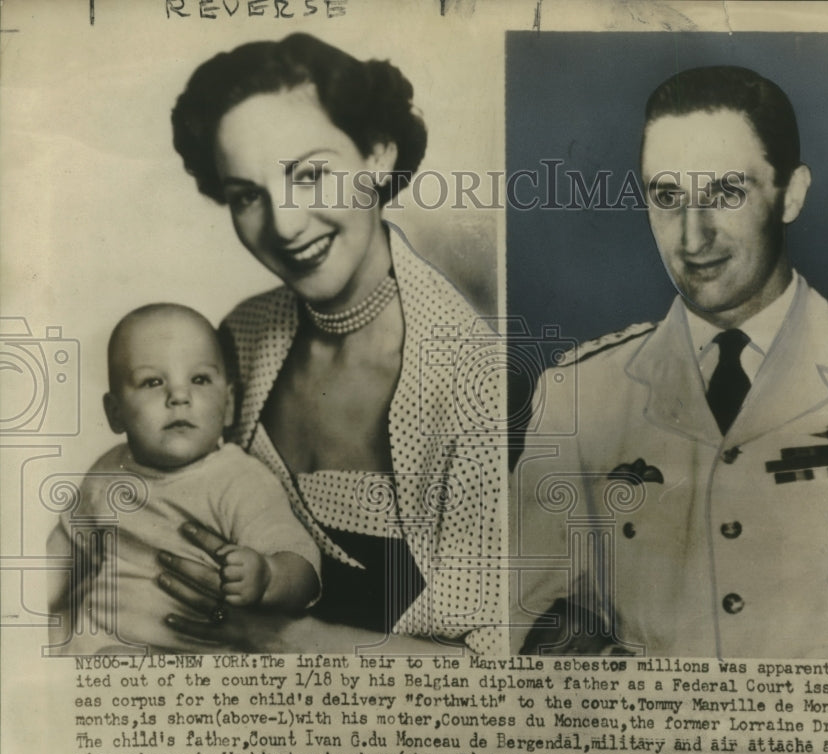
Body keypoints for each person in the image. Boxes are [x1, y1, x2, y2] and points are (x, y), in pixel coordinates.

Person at [513, 65, 828, 659]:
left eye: (726, 193)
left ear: (791, 194)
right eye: (667, 197)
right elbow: (500, 623)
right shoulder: (580, 393)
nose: (692, 237)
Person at [146, 33, 502, 653]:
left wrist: (287, 638)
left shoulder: (478, 381)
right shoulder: (240, 337)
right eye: (247, 195)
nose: (284, 226)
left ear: (379, 155)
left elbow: (495, 665)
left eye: (310, 175)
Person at [48, 304, 321, 654]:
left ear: (229, 405)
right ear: (115, 413)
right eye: (153, 382)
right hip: (94, 642)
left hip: (187, 659)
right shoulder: (109, 470)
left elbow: (300, 562)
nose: (179, 396)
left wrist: (268, 575)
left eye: (200, 379)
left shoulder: (238, 479)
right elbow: (64, 551)